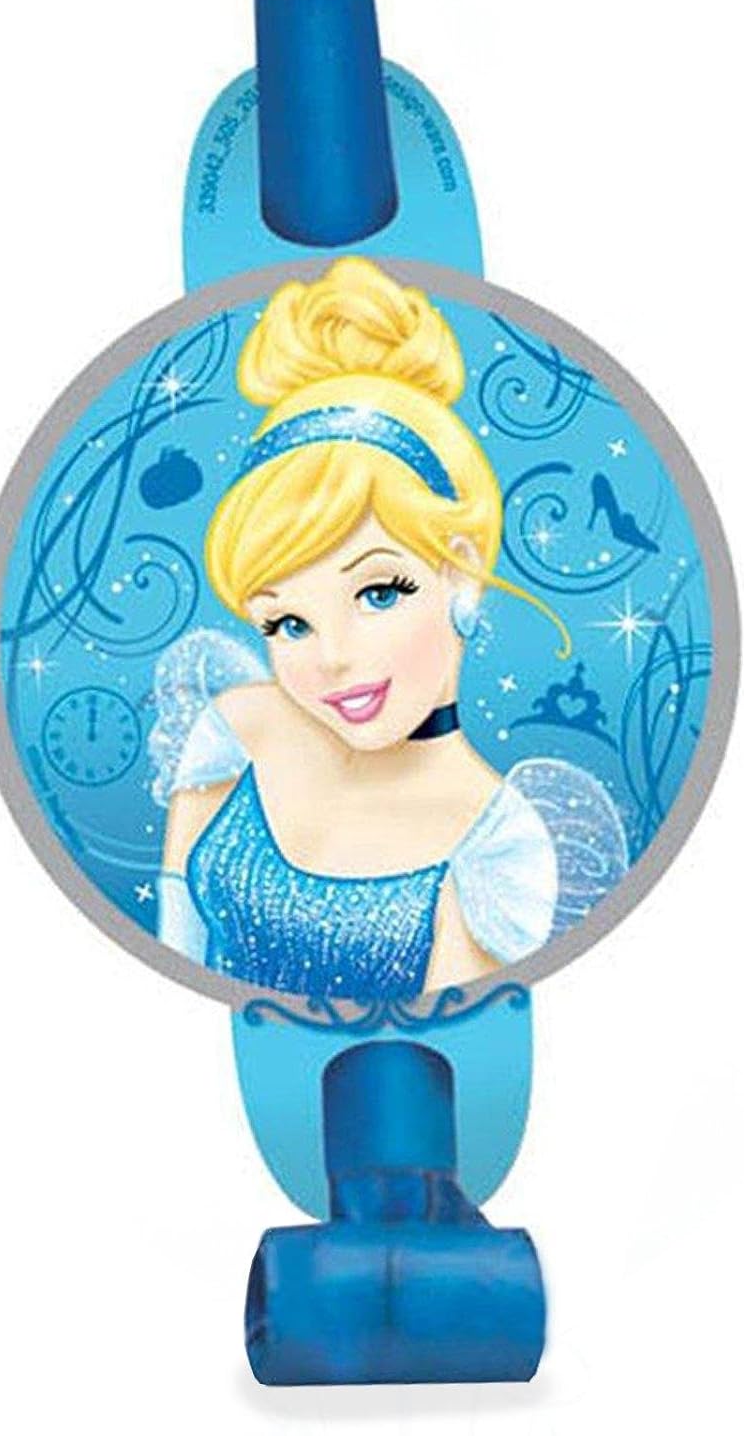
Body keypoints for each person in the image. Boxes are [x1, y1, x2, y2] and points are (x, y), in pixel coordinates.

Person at [148, 257, 625, 999]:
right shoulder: (237, 731)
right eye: (288, 622)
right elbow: (171, 966)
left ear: (461, 569)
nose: (332, 658)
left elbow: (450, 1032)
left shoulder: (495, 845)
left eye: (377, 592)